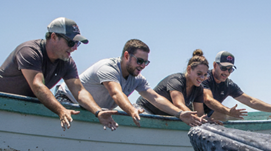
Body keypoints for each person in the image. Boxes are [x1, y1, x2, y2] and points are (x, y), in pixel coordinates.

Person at [0, 18, 117, 131]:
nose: (75, 48)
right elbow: (38, 85)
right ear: (54, 37)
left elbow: (79, 91)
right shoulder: (29, 51)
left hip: (19, 110)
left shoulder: (67, 62)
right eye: (71, 42)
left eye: (77, 43)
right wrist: (61, 110)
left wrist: (98, 111)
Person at [55, 40, 204, 127]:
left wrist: (180, 113)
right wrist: (131, 110)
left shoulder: (137, 79)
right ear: (126, 56)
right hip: (67, 101)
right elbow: (116, 93)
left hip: (92, 110)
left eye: (146, 62)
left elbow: (155, 98)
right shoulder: (108, 68)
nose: (142, 66)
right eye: (139, 61)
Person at [202, 51, 271, 121]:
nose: (226, 72)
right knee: (228, 116)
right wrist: (228, 111)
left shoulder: (228, 85)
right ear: (214, 65)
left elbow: (251, 101)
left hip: (210, 115)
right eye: (223, 68)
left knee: (236, 118)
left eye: (230, 69)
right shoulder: (204, 78)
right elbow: (208, 100)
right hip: (194, 114)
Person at [136, 50, 209, 119]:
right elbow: (179, 104)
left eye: (205, 75)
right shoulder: (176, 80)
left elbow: (199, 114)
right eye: (199, 74)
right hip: (144, 110)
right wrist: (197, 118)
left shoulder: (199, 88)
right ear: (189, 69)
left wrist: (205, 120)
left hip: (162, 116)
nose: (202, 78)